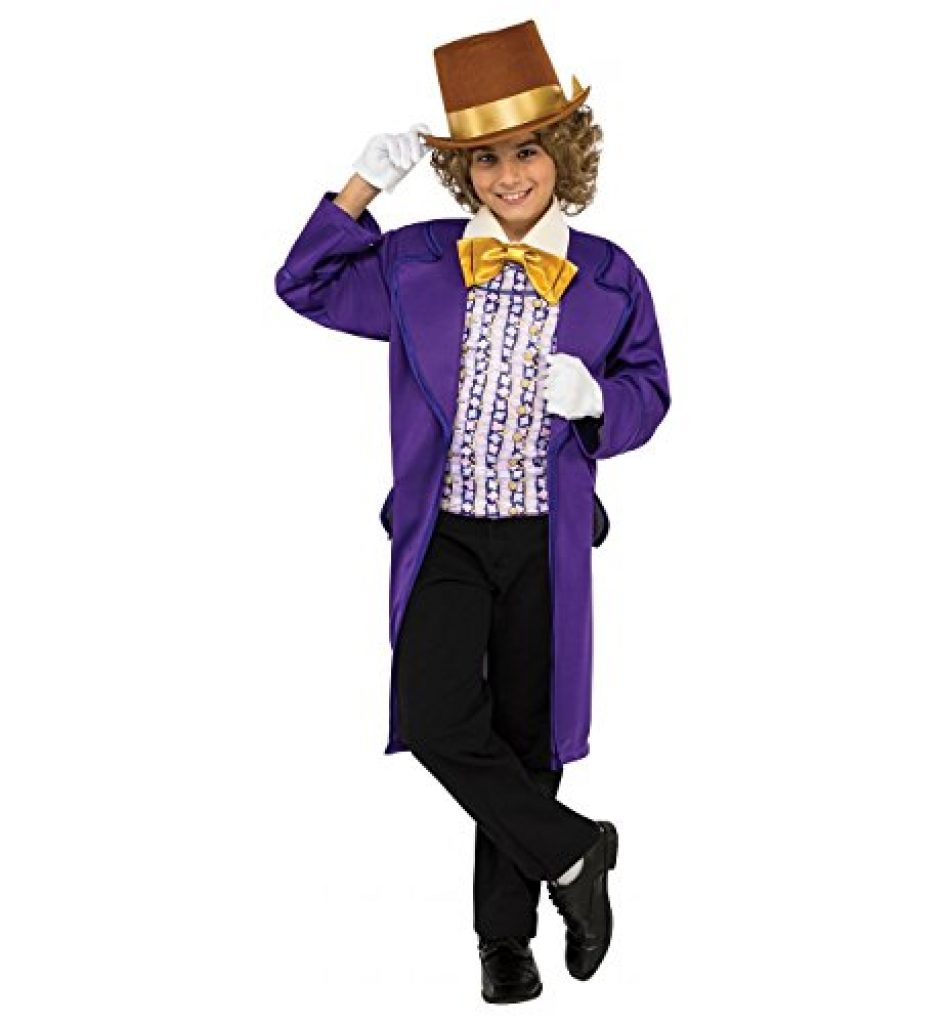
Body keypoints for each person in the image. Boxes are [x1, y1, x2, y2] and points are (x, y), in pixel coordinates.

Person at [274, 19, 671, 1004]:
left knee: (527, 738)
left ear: (562, 153)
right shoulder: (416, 263)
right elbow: (304, 283)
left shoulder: (610, 274)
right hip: (445, 532)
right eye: (485, 159)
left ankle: (505, 942)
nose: (507, 176)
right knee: (434, 714)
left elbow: (649, 393)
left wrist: (599, 401)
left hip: (544, 541)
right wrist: (360, 189)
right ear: (462, 171)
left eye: (526, 151)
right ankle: (575, 852)